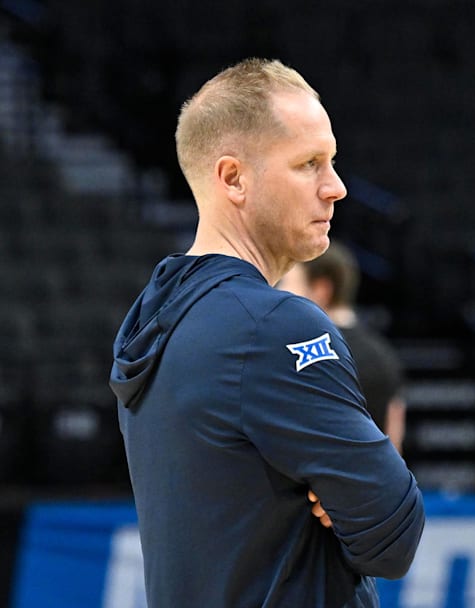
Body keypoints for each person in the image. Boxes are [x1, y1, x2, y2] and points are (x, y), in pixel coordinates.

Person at [109, 58, 425, 608]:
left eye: (332, 161)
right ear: (233, 178)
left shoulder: (157, 317)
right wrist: (346, 492)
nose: (337, 188)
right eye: (309, 164)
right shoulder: (272, 324)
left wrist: (342, 492)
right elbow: (393, 534)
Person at [277, 242, 407, 453]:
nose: (280, 293)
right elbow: (395, 440)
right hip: (376, 482)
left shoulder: (303, 355)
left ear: (321, 289)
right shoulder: (384, 355)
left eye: (288, 283)